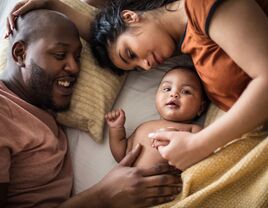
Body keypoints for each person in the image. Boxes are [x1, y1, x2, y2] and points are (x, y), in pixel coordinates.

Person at [5, 0, 268, 171]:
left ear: (131, 16)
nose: (146, 66)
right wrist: (54, 4)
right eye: (136, 67)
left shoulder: (203, 5)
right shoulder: (185, 40)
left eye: (132, 55)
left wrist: (198, 146)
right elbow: (110, 32)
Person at [0, 9, 181, 208]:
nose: (75, 68)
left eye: (77, 57)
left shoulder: (36, 104)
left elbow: (112, 34)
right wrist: (102, 196)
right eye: (60, 55)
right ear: (20, 53)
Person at [106, 67, 206, 168]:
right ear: (156, 96)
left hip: (168, 182)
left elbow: (201, 158)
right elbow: (122, 155)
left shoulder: (194, 130)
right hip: (129, 181)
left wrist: (179, 142)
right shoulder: (143, 128)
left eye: (186, 91)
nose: (173, 94)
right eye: (167, 89)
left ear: (200, 108)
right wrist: (116, 129)